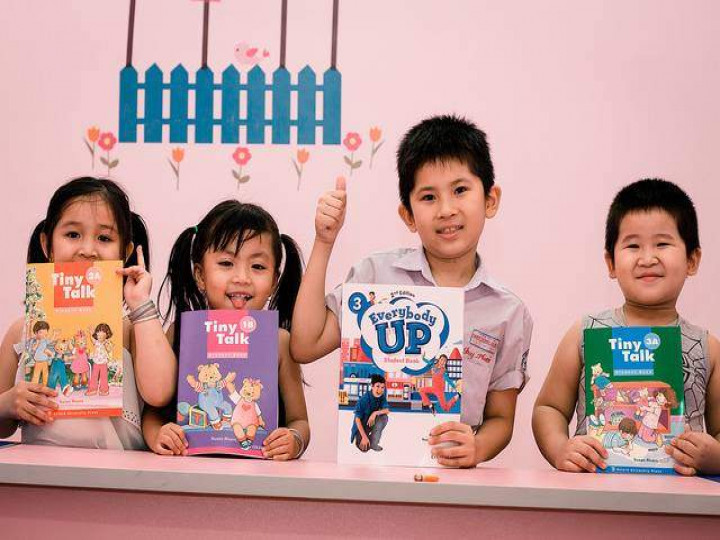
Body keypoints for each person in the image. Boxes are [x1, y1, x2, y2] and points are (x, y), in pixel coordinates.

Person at [291, 114, 533, 468]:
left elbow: (501, 418)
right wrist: (324, 241)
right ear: (408, 215)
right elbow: (305, 343)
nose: (447, 210)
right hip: (374, 477)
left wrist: (478, 447)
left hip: (454, 482)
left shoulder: (507, 311)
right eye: (429, 197)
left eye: (460, 190)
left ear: (490, 199)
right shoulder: (376, 276)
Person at [532, 179, 720, 475]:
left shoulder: (707, 347)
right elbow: (549, 408)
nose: (647, 258)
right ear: (610, 262)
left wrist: (715, 458)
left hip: (682, 499)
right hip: (595, 493)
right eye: (633, 246)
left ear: (692, 260)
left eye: (662, 244)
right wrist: (560, 449)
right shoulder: (586, 333)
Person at [0, 176, 176, 449]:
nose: (87, 250)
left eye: (104, 238)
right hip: (43, 471)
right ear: (47, 245)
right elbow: (3, 427)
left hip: (119, 473)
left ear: (125, 251)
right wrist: (9, 404)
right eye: (72, 235)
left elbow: (160, 393)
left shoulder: (131, 329)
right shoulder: (22, 330)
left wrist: (140, 304)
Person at [142, 200, 310, 460]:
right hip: (186, 473)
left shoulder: (279, 341)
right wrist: (157, 435)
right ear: (200, 275)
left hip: (259, 474)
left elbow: (300, 420)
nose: (242, 277)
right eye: (226, 263)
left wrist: (294, 440)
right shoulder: (181, 333)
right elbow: (152, 412)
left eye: (258, 266)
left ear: (274, 281)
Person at [352, 374, 390, 452]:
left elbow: (387, 410)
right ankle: (363, 437)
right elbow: (357, 420)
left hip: (372, 422)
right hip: (362, 425)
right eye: (377, 386)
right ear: (372, 386)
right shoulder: (364, 399)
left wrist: (374, 413)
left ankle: (374, 442)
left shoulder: (382, 397)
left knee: (384, 417)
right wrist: (364, 437)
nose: (380, 389)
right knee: (364, 448)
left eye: (382, 387)